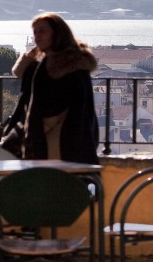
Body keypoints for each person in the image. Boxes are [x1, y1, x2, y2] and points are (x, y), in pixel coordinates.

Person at [11, 13, 100, 164]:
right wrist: (30, 55)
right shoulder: (58, 62)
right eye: (35, 32)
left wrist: (37, 130)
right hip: (63, 137)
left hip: (61, 138)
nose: (37, 36)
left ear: (57, 33)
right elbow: (20, 73)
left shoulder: (67, 66)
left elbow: (58, 104)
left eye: (42, 31)